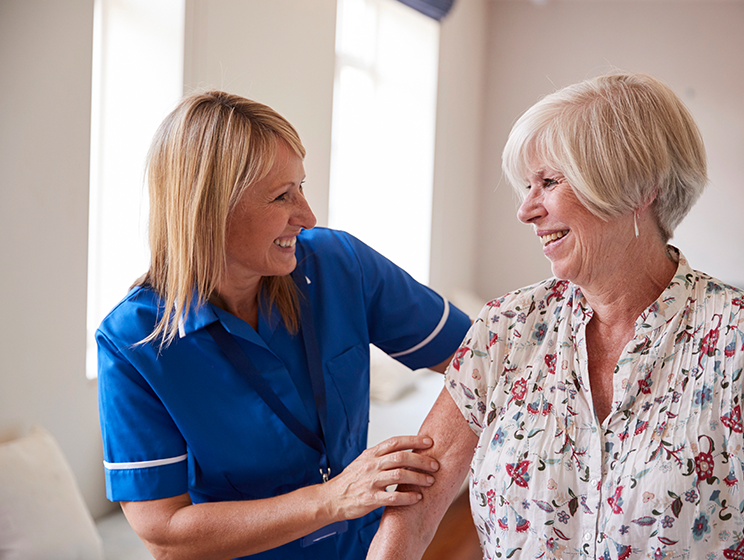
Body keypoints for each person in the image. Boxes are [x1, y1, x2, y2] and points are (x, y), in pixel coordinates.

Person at [367, 72, 744, 560]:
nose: (525, 210)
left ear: (639, 189)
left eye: (549, 182)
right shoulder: (504, 328)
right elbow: (415, 510)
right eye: (527, 186)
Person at [96, 90, 471, 560]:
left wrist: (408, 527)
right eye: (281, 196)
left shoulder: (340, 264)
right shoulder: (133, 341)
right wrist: (332, 500)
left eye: (302, 186)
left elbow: (484, 359)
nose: (308, 215)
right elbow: (165, 534)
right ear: (209, 209)